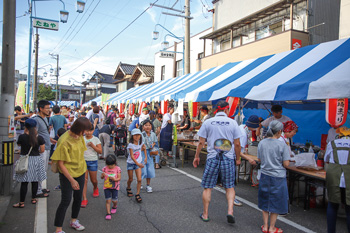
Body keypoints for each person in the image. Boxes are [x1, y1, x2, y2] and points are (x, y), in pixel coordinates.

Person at [193, 101, 242, 224]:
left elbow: (201, 142)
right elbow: (237, 144)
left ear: (216, 110)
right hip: (228, 158)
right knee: (229, 187)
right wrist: (238, 158)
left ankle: (205, 214)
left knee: (208, 187)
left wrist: (197, 156)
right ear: (226, 110)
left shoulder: (208, 122)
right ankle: (230, 211)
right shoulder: (233, 123)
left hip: (212, 157)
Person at [51, 117, 91, 233]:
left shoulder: (80, 137)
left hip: (80, 171)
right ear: (79, 128)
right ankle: (58, 229)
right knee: (66, 200)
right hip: (67, 174)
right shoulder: (64, 140)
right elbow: (61, 164)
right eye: (85, 130)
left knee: (78, 198)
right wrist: (72, 180)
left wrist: (84, 170)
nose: (86, 133)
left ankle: (74, 220)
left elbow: (81, 154)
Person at [257, 120, 290, 233]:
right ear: (280, 131)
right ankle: (272, 228)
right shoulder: (282, 145)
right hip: (278, 177)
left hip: (265, 175)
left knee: (265, 200)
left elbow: (259, 160)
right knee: (276, 202)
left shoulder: (262, 143)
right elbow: (286, 164)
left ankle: (265, 226)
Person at [13, 119, 47, 208]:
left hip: (25, 160)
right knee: (35, 181)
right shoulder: (39, 138)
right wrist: (36, 151)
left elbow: (19, 145)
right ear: (35, 127)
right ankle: (33, 199)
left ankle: (21, 202)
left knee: (24, 182)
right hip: (36, 160)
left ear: (26, 127)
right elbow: (42, 150)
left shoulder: (22, 137)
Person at [324, 126, 350, 233]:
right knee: (349, 207)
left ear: (339, 135)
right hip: (348, 176)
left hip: (334, 176)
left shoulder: (332, 143)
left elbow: (326, 159)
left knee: (333, 204)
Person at [34, 100, 56, 197]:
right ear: (41, 108)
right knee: (40, 169)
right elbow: (35, 134)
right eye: (47, 108)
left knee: (44, 169)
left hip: (47, 147)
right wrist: (40, 145)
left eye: (49, 108)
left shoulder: (45, 118)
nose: (49, 110)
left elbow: (44, 133)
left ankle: (41, 187)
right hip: (42, 148)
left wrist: (50, 139)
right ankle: (38, 190)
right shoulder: (36, 119)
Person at [82, 124, 102, 208]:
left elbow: (100, 151)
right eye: (86, 130)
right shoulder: (81, 139)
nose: (88, 132)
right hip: (83, 161)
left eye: (90, 131)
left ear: (93, 131)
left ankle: (95, 187)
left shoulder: (96, 139)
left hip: (93, 161)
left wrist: (92, 146)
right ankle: (84, 198)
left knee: (94, 180)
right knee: (84, 180)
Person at [126, 128, 147, 203]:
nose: (137, 137)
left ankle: (137, 194)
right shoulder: (131, 145)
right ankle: (128, 187)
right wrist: (137, 163)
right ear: (132, 136)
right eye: (135, 135)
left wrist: (145, 157)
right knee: (131, 179)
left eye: (138, 135)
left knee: (139, 179)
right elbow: (132, 156)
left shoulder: (141, 143)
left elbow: (144, 148)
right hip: (131, 163)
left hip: (138, 163)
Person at [101, 154, 121, 220]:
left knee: (114, 200)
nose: (110, 167)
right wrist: (103, 175)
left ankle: (115, 206)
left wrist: (115, 179)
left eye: (112, 165)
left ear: (115, 163)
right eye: (108, 165)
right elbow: (101, 178)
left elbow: (119, 178)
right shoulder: (104, 169)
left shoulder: (118, 169)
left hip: (115, 187)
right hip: (107, 187)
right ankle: (108, 213)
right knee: (108, 201)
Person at [141, 120, 158, 192]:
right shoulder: (141, 134)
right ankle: (140, 182)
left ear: (151, 126)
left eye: (149, 125)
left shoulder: (153, 134)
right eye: (146, 125)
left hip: (150, 153)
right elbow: (141, 145)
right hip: (143, 153)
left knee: (150, 170)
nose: (147, 127)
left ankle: (148, 185)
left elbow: (155, 142)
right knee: (143, 170)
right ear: (143, 127)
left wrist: (153, 145)